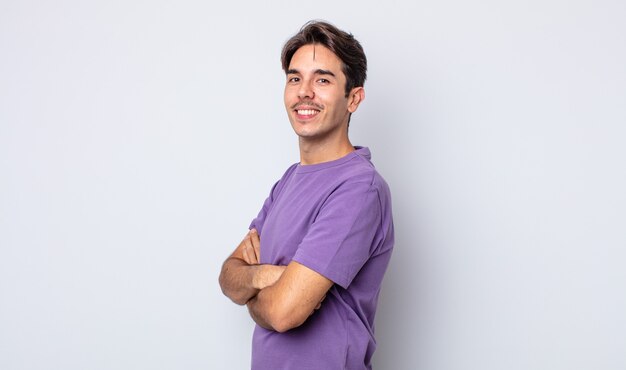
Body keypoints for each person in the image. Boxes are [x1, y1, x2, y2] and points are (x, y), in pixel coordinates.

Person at [219, 20, 394, 370]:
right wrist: (266, 277)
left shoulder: (359, 188)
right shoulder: (289, 181)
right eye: (295, 78)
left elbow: (285, 313)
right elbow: (229, 276)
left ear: (353, 98)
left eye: (323, 79)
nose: (304, 92)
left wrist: (254, 291)